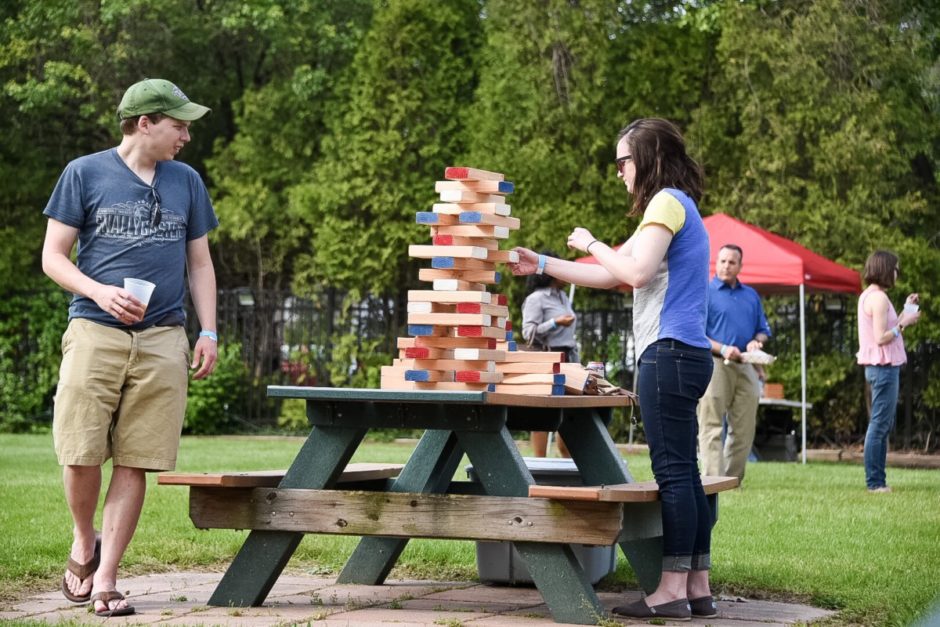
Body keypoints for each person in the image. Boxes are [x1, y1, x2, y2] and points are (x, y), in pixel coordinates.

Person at [510, 118, 717, 620]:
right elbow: (611, 275)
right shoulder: (677, 208)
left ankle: (670, 591)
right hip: (687, 355)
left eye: (622, 161)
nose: (619, 172)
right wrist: (542, 261)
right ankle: (696, 587)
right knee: (685, 473)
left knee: (672, 474)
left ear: (646, 158)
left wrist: (590, 240)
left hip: (666, 354)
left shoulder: (665, 202)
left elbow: (634, 271)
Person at [41, 79, 220, 617]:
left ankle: (108, 579)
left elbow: (200, 264)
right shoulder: (84, 173)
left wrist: (207, 331)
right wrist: (98, 290)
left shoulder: (187, 181)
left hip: (164, 335)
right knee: (79, 451)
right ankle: (82, 539)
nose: (186, 135)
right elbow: (53, 256)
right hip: (95, 329)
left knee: (138, 459)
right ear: (146, 123)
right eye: (178, 125)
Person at [696, 244, 772, 481]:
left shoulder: (750, 295)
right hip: (714, 363)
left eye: (731, 262)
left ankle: (733, 481)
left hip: (747, 364)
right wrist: (724, 348)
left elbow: (763, 331)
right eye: (722, 261)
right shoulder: (704, 292)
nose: (726, 266)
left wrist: (755, 343)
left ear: (740, 266)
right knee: (711, 425)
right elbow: (696, 332)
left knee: (745, 429)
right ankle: (713, 480)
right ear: (716, 263)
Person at [856, 250, 920, 493]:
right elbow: (882, 337)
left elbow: (889, 329)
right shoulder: (879, 299)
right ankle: (875, 483)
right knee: (880, 425)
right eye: (896, 268)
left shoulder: (871, 296)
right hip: (883, 369)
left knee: (881, 424)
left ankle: (878, 480)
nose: (897, 273)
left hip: (880, 368)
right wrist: (904, 323)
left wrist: (907, 309)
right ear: (885, 269)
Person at [520, 264, 577, 457]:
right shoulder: (536, 299)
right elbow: (528, 333)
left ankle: (569, 463)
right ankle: (539, 463)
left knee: (569, 412)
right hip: (548, 359)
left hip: (569, 358)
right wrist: (555, 322)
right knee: (542, 413)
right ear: (550, 274)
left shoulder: (563, 297)